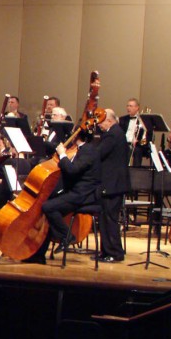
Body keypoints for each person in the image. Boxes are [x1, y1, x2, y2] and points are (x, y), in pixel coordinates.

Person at [29, 125, 101, 263]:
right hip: (74, 191)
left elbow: (73, 170)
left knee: (48, 207)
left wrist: (62, 154)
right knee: (47, 212)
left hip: (82, 195)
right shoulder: (81, 150)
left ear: (77, 136)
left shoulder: (89, 151)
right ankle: (38, 255)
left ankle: (67, 236)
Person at [95, 108, 130, 262]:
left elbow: (99, 154)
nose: (99, 125)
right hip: (113, 184)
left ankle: (114, 253)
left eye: (101, 122)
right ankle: (107, 251)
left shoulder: (112, 134)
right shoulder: (116, 132)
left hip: (112, 184)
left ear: (109, 120)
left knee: (109, 219)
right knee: (106, 218)